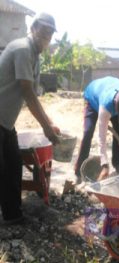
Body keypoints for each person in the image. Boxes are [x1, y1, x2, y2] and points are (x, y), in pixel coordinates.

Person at [0, 13, 60, 225]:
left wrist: (50, 122)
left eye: (50, 33)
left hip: (5, 122)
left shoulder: (35, 56)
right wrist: (46, 127)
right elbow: (27, 92)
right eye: (44, 30)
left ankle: (12, 216)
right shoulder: (24, 49)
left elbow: (33, 95)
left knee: (13, 166)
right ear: (33, 28)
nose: (47, 36)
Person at [74, 76, 119, 183]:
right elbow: (102, 138)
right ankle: (78, 174)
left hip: (112, 94)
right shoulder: (106, 106)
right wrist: (104, 164)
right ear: (115, 106)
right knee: (88, 132)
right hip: (93, 98)